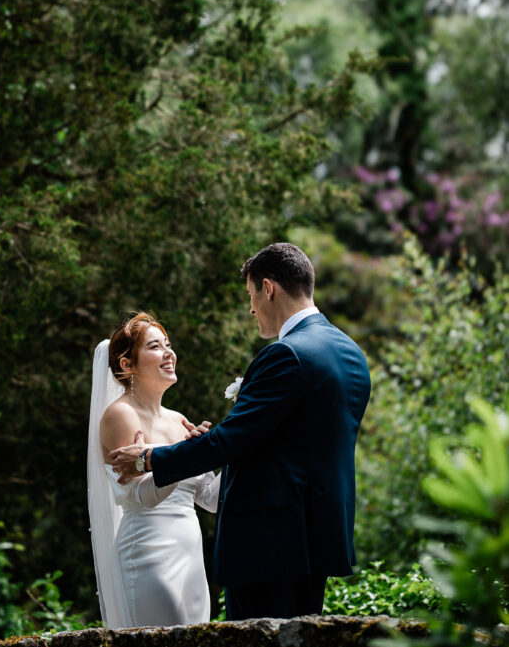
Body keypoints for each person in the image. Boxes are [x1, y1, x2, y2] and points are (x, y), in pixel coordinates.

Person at [110, 242, 371, 622]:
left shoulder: (287, 354)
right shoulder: (351, 355)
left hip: (268, 544)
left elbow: (231, 440)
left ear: (269, 289)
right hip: (319, 537)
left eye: (251, 296)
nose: (251, 308)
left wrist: (148, 456)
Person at [87, 311, 220, 628]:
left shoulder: (178, 419)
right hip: (148, 554)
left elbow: (212, 499)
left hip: (191, 556)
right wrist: (185, 453)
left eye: (168, 344)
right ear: (127, 365)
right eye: (155, 346)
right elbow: (142, 495)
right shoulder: (120, 415)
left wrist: (245, 445)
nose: (169, 352)